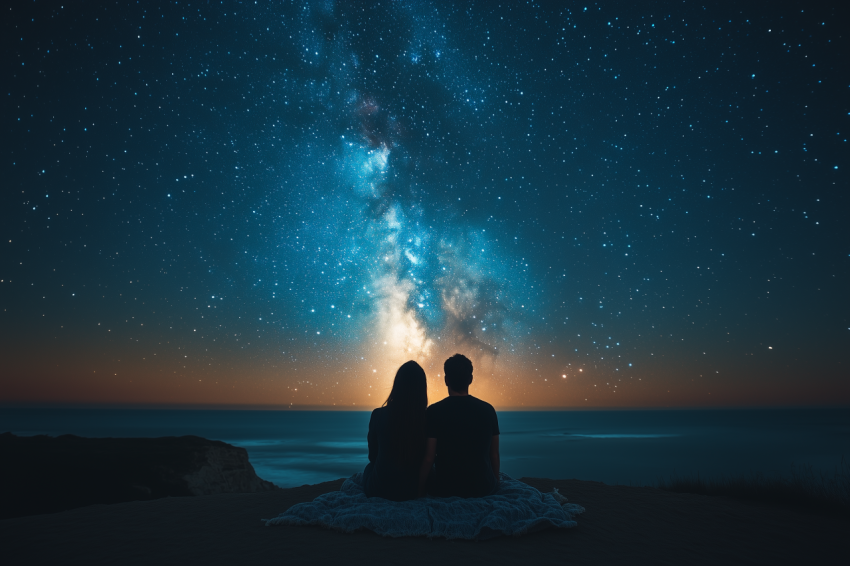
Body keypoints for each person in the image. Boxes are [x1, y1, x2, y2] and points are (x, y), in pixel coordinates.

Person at [419, 353, 500, 498]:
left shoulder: (434, 411)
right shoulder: (488, 410)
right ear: (470, 379)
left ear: (446, 380)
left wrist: (418, 489)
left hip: (446, 489)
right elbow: (493, 455)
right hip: (482, 488)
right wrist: (496, 483)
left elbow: (429, 457)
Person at [362, 360, 428, 501]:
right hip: (413, 489)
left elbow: (372, 456)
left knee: (368, 468)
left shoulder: (378, 414)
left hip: (380, 489)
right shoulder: (428, 418)